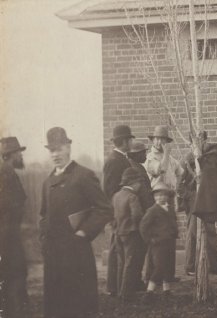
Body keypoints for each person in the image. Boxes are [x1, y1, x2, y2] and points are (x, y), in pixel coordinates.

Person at [39, 127, 113, 317]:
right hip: (53, 255)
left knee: (78, 306)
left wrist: (83, 233)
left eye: (59, 148)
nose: (55, 154)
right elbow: (43, 215)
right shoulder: (47, 182)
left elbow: (104, 209)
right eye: (51, 150)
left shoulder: (83, 175)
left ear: (68, 148)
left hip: (76, 253)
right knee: (56, 307)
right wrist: (43, 239)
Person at [179, 135, 217, 277]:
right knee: (193, 233)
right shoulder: (186, 161)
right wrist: (190, 196)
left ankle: (215, 265)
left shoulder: (208, 158)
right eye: (195, 141)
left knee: (210, 232)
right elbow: (179, 186)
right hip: (193, 202)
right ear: (191, 143)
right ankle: (190, 266)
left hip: (207, 201)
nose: (199, 144)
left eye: (202, 140)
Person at [103, 124, 135, 296]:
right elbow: (108, 190)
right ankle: (113, 287)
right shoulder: (114, 161)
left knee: (120, 249)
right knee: (116, 249)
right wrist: (114, 214)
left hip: (121, 211)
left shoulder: (122, 158)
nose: (131, 142)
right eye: (129, 139)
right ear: (123, 141)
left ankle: (119, 284)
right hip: (117, 212)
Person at [0, 136, 28, 317]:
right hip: (8, 238)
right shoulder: (6, 173)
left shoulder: (7, 171)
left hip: (8, 235)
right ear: (12, 154)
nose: (21, 156)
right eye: (19, 152)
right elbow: (9, 206)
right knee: (15, 278)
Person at [112, 168, 147, 300]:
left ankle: (119, 291)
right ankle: (126, 294)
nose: (140, 186)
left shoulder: (116, 195)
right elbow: (137, 215)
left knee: (121, 263)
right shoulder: (133, 196)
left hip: (118, 233)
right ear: (134, 183)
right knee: (130, 263)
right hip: (131, 233)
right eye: (139, 183)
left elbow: (113, 216)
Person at [140, 182, 178, 296]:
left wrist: (174, 233)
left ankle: (167, 290)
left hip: (169, 242)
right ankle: (150, 291)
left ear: (167, 196)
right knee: (159, 266)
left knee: (168, 266)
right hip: (158, 243)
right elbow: (143, 226)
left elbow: (173, 223)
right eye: (157, 195)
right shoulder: (152, 210)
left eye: (163, 195)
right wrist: (149, 239)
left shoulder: (170, 209)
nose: (160, 197)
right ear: (154, 197)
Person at [145, 126, 183, 191]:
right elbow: (162, 169)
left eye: (162, 139)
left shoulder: (170, 158)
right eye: (157, 139)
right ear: (153, 140)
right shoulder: (150, 158)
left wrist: (176, 187)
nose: (159, 142)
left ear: (166, 141)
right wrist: (166, 153)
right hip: (157, 195)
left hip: (170, 194)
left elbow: (180, 172)